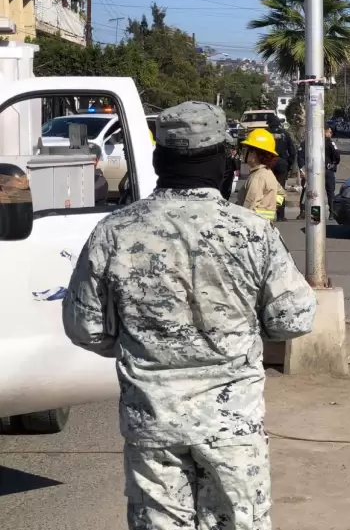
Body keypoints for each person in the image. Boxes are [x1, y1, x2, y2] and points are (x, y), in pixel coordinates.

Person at [62, 101, 316, 530]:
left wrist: (143, 348)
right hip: (231, 427)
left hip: (153, 423)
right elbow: (293, 319)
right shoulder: (250, 232)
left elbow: (85, 328)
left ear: (160, 160)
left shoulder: (115, 231)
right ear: (224, 161)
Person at [237, 128, 284, 222]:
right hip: (265, 227)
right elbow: (281, 193)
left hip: (255, 228)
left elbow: (249, 208)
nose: (243, 152)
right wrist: (269, 204)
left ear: (253, 153)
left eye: (245, 149)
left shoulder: (258, 177)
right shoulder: (267, 173)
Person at [267, 117, 296, 221]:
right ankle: (280, 215)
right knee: (280, 189)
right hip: (282, 164)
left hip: (268, 164)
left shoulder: (266, 134)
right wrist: (289, 164)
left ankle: (268, 213)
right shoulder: (285, 134)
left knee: (268, 189)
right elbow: (292, 151)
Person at [325, 126, 340, 220]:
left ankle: (314, 216)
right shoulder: (330, 142)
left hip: (314, 172)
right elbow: (337, 155)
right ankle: (332, 213)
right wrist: (334, 163)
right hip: (327, 169)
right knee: (330, 192)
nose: (330, 135)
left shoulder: (312, 141)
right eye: (329, 132)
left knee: (314, 194)